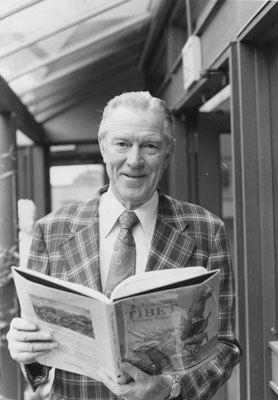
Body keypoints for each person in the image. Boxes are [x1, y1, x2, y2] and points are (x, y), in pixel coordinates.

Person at [7, 91, 241, 400]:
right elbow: (38, 358)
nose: (135, 160)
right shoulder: (50, 231)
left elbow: (225, 344)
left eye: (150, 146)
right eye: (122, 144)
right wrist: (26, 349)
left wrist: (170, 389)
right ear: (104, 147)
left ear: (168, 153)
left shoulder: (206, 231)